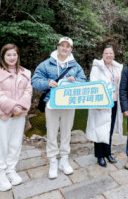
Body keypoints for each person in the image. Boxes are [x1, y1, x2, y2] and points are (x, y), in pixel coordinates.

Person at [31, 37, 87, 179]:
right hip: (52, 103)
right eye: (62, 45)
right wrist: (47, 83)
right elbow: (35, 81)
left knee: (67, 131)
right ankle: (53, 161)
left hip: (69, 103)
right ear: (57, 47)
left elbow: (84, 82)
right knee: (51, 132)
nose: (64, 48)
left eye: (67, 46)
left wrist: (75, 81)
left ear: (71, 49)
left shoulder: (75, 66)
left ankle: (64, 159)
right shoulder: (46, 64)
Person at [0, 44, 32, 191]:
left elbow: (28, 91)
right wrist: (13, 107)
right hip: (2, 115)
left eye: (14, 55)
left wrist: (20, 108)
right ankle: (0, 174)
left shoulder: (25, 73)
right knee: (1, 145)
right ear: (3, 56)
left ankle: (10, 170)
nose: (12, 58)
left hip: (19, 115)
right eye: (8, 55)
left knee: (15, 143)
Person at [86, 45, 123, 167]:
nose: (109, 55)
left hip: (114, 102)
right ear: (102, 55)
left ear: (114, 55)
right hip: (101, 103)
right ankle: (99, 156)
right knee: (99, 128)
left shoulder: (116, 68)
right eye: (106, 53)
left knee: (109, 129)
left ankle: (108, 153)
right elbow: (93, 84)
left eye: (111, 53)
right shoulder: (97, 67)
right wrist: (97, 102)